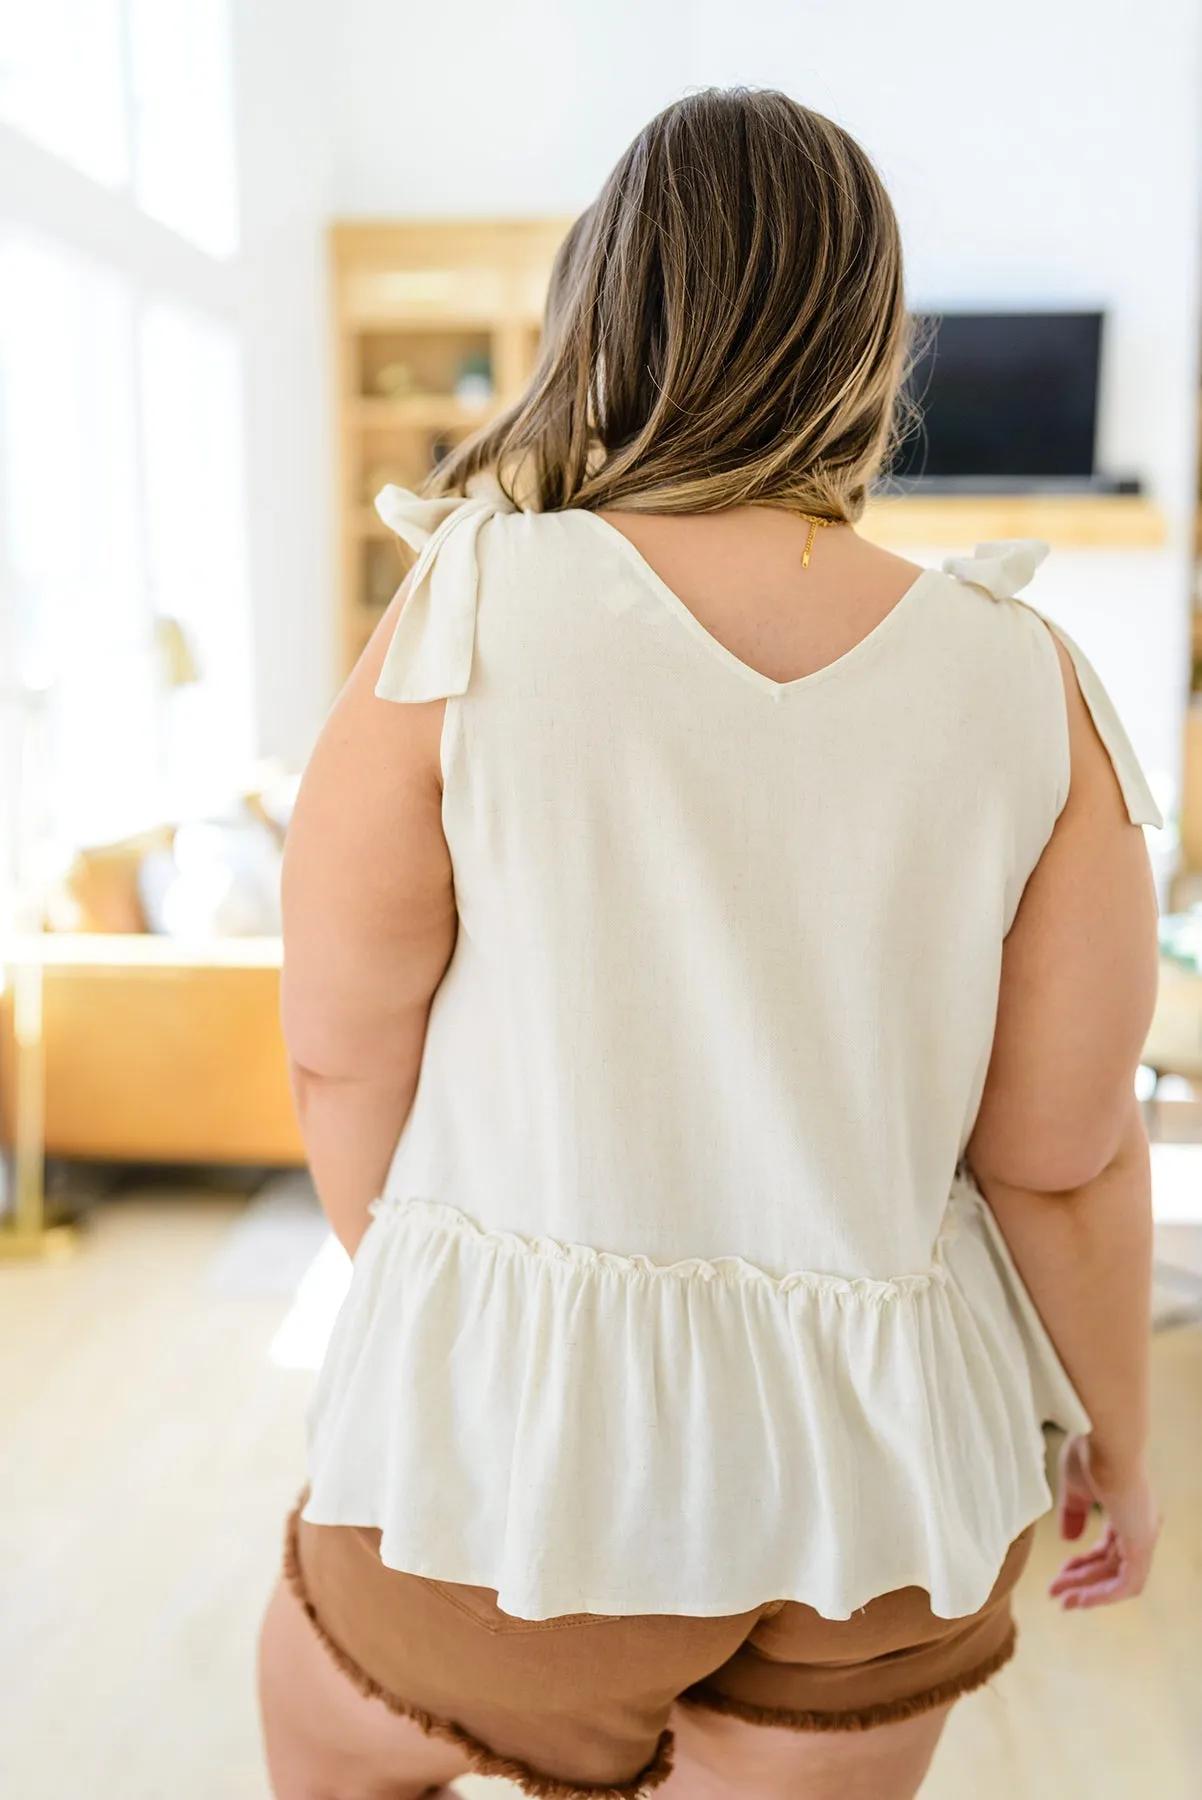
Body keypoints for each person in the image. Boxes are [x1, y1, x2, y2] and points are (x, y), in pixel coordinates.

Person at [258, 87, 1162, 1800]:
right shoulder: (1022, 680)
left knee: (322, 1723)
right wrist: (1118, 1430)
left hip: (516, 1472)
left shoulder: (461, 611)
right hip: (883, 1486)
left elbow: (339, 1044)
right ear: (870, 350)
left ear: (595, 317)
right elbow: (1060, 1158)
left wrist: (442, 1312)